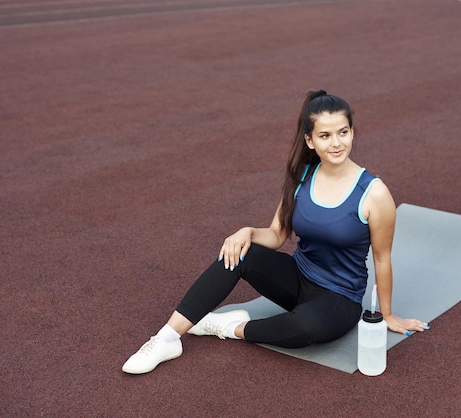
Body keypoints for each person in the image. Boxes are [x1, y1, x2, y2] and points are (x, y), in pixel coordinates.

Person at [122, 90, 430, 374]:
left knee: (305, 328)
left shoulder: (373, 194)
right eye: (325, 135)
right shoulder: (302, 178)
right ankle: (166, 338)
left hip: (339, 298)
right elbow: (276, 234)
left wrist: (387, 315)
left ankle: (229, 328)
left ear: (352, 133)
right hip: (297, 278)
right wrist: (247, 232)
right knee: (240, 253)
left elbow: (382, 258)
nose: (336, 143)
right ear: (310, 140)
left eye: (343, 132)